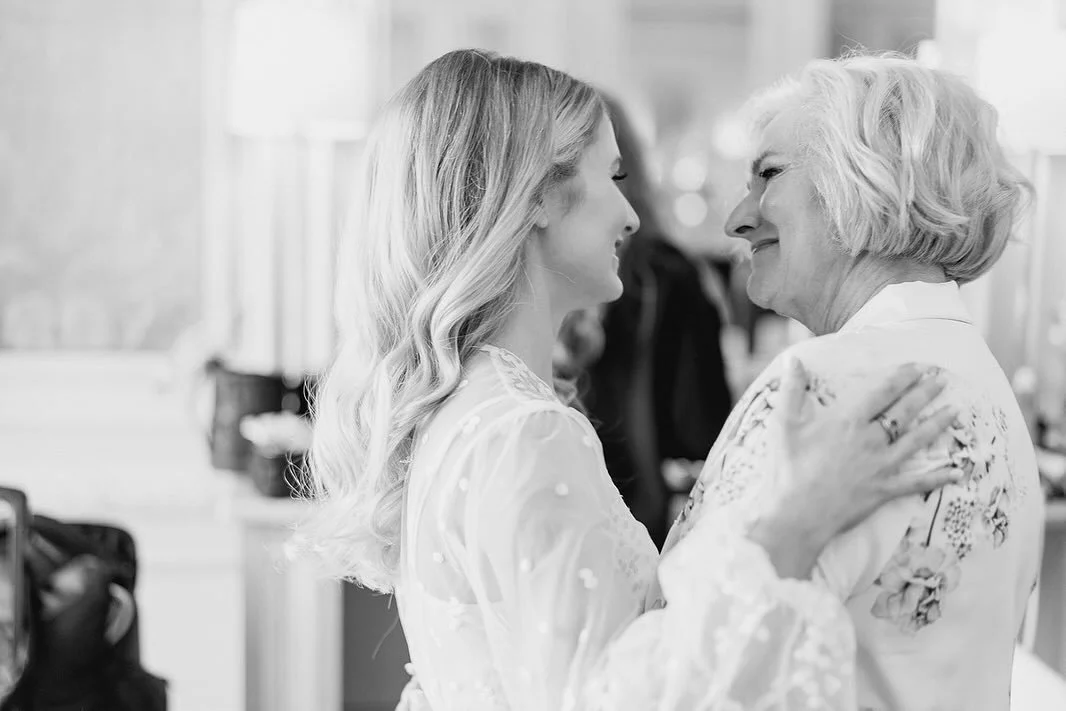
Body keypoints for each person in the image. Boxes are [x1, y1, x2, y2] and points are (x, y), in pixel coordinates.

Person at [296, 49, 960, 710]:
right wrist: (794, 528)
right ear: (536, 195)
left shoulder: (470, 410)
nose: (632, 215)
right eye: (612, 175)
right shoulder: (522, 432)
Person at [655, 52, 1044, 711]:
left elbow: (689, 663)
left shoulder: (820, 387)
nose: (737, 219)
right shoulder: (982, 379)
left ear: (866, 181)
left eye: (768, 175)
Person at [555, 93, 734, 549]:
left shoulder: (529, 280)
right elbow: (701, 428)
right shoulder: (668, 274)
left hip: (562, 513)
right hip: (637, 516)